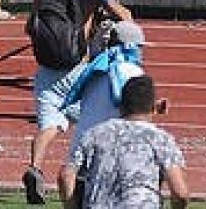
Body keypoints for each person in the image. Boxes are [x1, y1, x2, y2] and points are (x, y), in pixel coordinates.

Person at [23, 0, 131, 205]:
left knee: (49, 125)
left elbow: (29, 27)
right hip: (77, 69)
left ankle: (35, 167)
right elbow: (126, 17)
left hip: (47, 70)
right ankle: (86, 173)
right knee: (95, 120)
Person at [60, 75, 190, 209]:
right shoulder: (162, 140)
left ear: (121, 106)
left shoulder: (93, 134)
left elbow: (66, 175)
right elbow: (180, 193)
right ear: (154, 108)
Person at [62, 19, 148, 148]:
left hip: (82, 140)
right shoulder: (131, 71)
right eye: (139, 47)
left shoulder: (96, 67)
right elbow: (135, 109)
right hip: (108, 143)